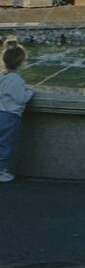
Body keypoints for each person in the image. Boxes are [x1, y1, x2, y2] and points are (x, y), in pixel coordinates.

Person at [0, 38, 34, 182]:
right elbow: (21, 99)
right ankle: (1, 172)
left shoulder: (1, 76)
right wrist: (30, 92)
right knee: (6, 144)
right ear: (21, 63)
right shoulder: (16, 80)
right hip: (10, 118)